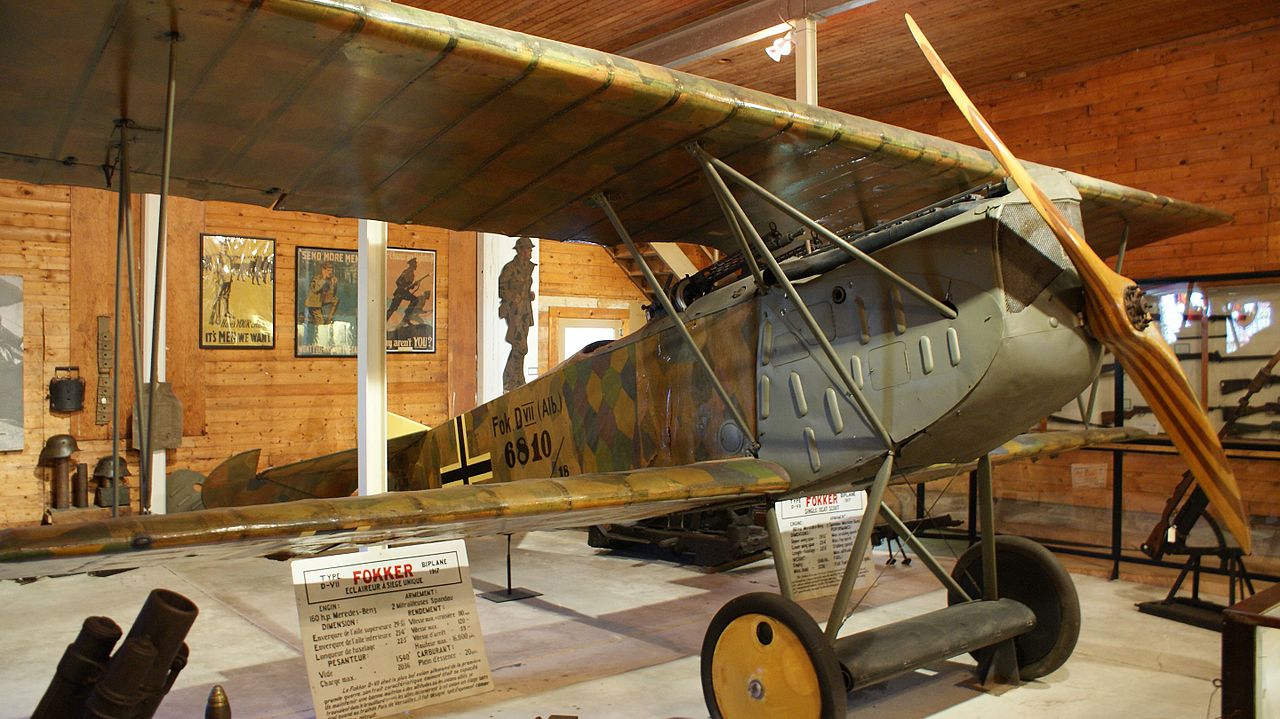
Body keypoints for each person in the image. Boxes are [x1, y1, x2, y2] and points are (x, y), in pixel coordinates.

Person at [498, 237, 535, 391]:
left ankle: (516, 379)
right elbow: (502, 288)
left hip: (525, 311)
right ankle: (511, 380)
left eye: (530, 249)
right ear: (520, 250)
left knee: (521, 347)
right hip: (514, 312)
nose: (530, 252)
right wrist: (513, 297)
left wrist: (528, 295)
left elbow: (524, 287)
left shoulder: (528, 268)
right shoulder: (510, 268)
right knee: (519, 345)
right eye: (528, 249)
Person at [302, 261, 339, 345]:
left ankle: (328, 320)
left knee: (335, 300)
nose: (330, 272)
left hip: (321, 301)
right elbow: (315, 289)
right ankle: (320, 343)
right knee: (321, 323)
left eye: (331, 270)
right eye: (328, 270)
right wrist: (324, 279)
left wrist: (333, 284)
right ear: (323, 270)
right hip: (313, 304)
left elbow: (331, 294)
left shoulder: (330, 279)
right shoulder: (317, 278)